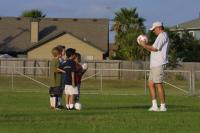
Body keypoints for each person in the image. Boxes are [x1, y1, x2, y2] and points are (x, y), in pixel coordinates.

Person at [138, 21, 169, 112]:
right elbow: (153, 47)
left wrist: (143, 45)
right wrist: (146, 45)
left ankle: (163, 106)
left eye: (154, 29)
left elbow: (155, 49)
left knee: (158, 84)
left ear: (159, 28)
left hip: (159, 64)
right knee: (150, 84)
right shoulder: (160, 36)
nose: (153, 31)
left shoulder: (162, 35)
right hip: (154, 65)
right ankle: (154, 106)